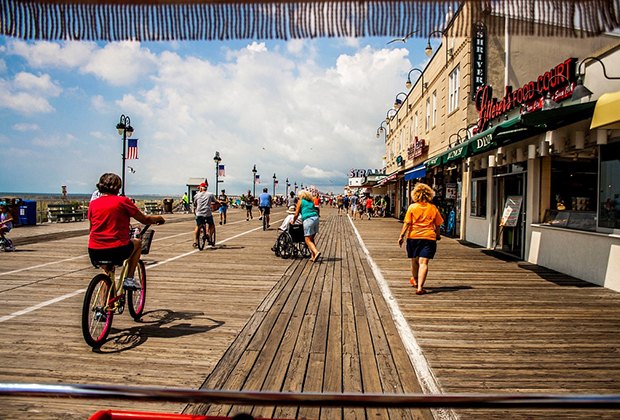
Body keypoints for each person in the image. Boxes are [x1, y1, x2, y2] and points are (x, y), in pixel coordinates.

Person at [87, 173, 165, 289]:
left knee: (107, 274)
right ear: (118, 187)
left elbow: (91, 227)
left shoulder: (93, 204)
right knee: (137, 243)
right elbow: (144, 219)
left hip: (94, 250)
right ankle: (129, 279)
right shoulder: (122, 201)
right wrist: (159, 219)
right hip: (117, 249)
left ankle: (104, 304)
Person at [398, 183, 444, 295]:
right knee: (424, 263)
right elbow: (437, 225)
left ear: (415, 195)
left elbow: (407, 223)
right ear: (429, 195)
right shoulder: (433, 208)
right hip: (428, 237)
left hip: (413, 237)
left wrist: (401, 236)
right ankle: (420, 287)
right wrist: (437, 235)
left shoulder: (412, 207)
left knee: (414, 261)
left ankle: (415, 280)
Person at [292, 190, 321, 262]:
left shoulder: (300, 201)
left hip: (308, 220)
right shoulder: (311, 202)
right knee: (312, 239)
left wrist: (293, 221)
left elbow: (296, 214)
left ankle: (316, 252)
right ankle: (313, 255)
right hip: (316, 218)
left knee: (307, 239)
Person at [193, 181, 217, 247]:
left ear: (201, 188)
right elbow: (215, 201)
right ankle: (209, 237)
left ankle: (195, 241)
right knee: (212, 225)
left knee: (198, 226)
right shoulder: (210, 194)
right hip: (207, 213)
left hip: (199, 213)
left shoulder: (196, 195)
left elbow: (195, 204)